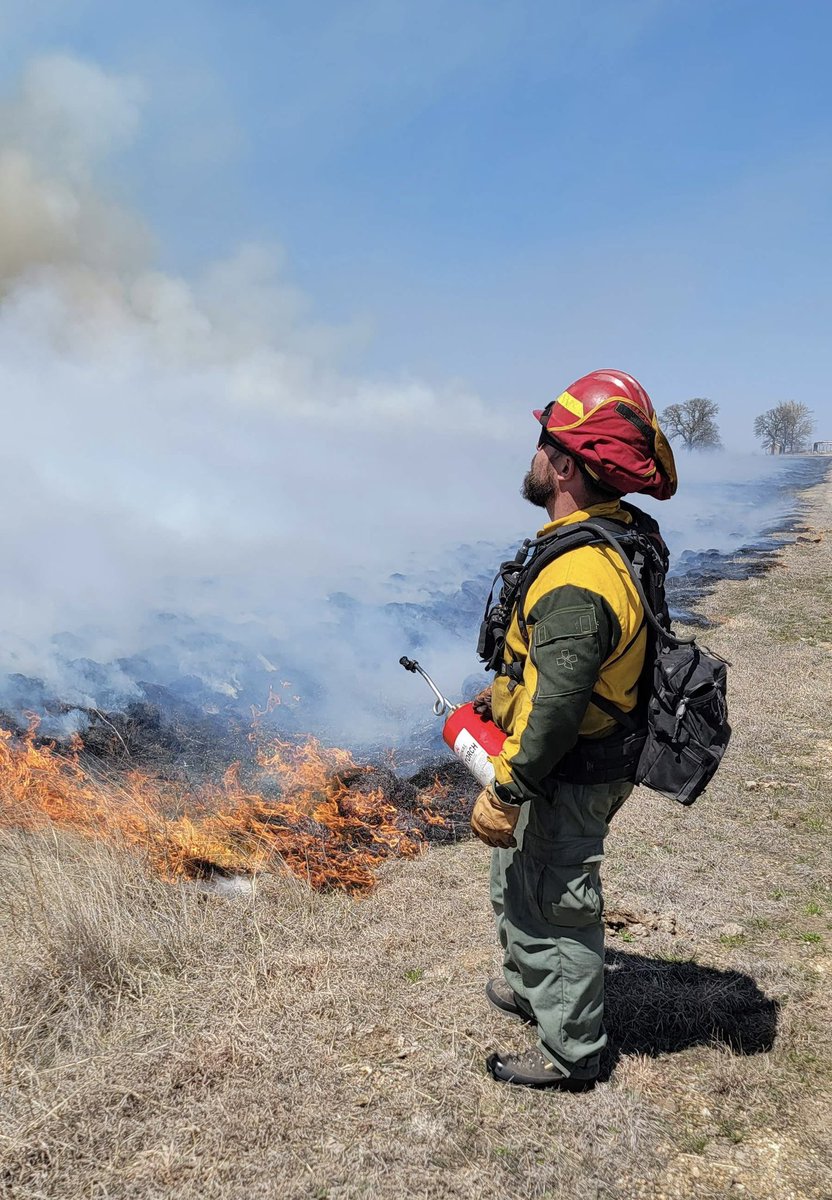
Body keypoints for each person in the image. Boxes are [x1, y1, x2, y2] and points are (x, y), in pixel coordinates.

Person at [470, 369, 677, 1090]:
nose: (531, 456)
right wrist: (503, 695)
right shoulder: (607, 537)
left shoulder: (575, 577)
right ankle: (533, 989)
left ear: (565, 464)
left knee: (557, 902)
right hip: (581, 751)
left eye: (542, 442)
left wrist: (508, 787)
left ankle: (573, 1052)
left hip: (570, 764)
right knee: (518, 878)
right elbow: (555, 672)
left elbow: (559, 703)